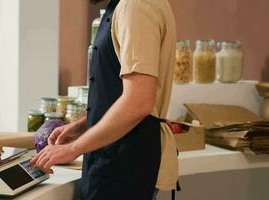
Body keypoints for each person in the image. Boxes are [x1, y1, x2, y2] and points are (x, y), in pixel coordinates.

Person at [30, 0, 179, 199]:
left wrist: (73, 149)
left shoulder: (135, 6)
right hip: (115, 159)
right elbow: (120, 95)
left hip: (123, 164)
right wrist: (83, 126)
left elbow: (139, 102)